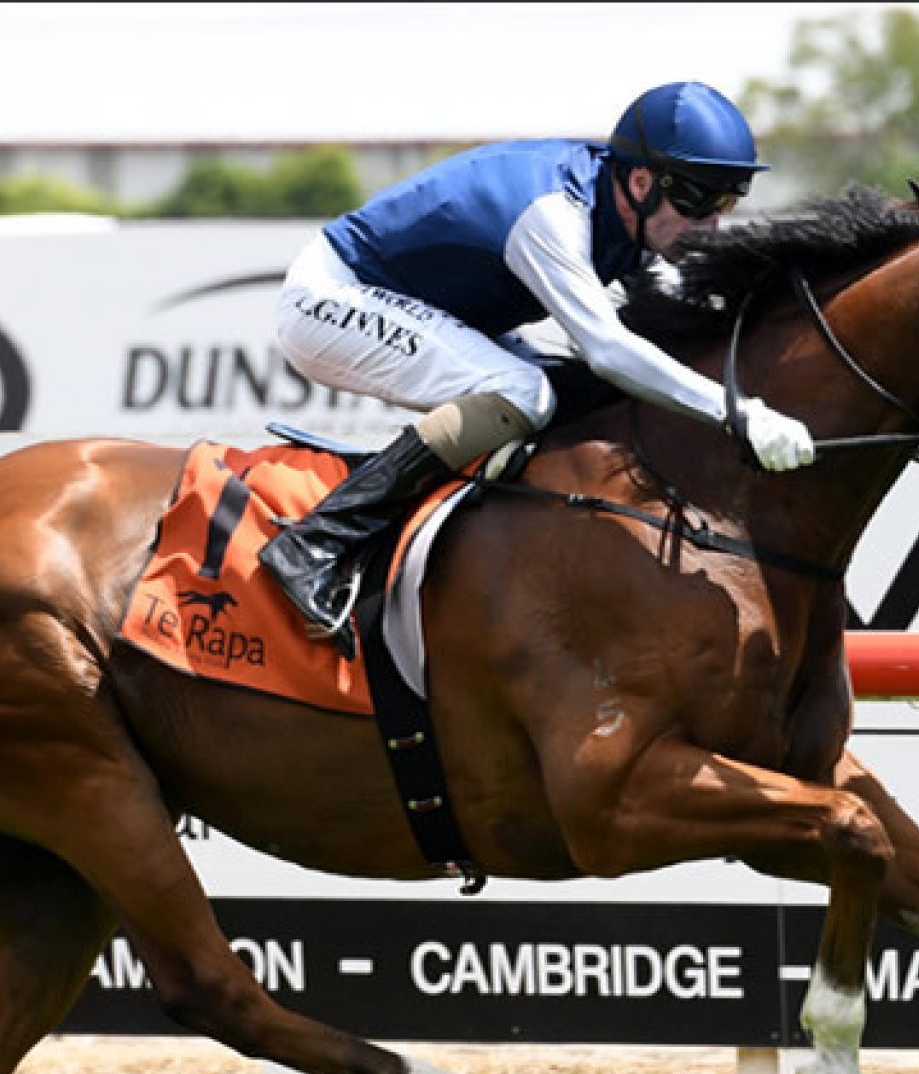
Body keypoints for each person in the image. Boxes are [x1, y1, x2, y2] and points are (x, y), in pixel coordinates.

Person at [259, 80, 817, 657]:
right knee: (523, 392)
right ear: (642, 181)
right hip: (333, 297)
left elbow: (659, 345)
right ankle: (317, 542)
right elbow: (610, 349)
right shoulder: (551, 214)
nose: (710, 226)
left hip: (428, 305)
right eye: (699, 201)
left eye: (725, 204)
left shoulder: (631, 210)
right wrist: (737, 413)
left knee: (578, 391)